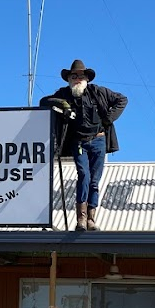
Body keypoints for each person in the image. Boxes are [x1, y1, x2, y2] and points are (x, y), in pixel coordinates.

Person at [40, 59, 127, 232]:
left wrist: (108, 119)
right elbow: (44, 102)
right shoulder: (64, 93)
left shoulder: (98, 92)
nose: (77, 78)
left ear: (87, 78)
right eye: (74, 76)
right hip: (78, 141)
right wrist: (61, 104)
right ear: (69, 78)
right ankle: (81, 219)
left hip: (99, 140)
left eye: (81, 75)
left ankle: (91, 219)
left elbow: (122, 99)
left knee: (94, 181)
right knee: (83, 175)